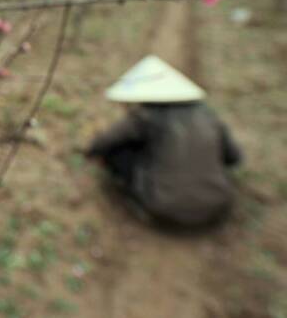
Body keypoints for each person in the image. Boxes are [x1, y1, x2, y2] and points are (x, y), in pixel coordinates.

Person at [87, 55, 242, 227]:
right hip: (216, 208)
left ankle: (141, 199)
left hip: (162, 207)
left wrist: (92, 150)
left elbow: (105, 141)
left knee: (118, 151)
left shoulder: (147, 115)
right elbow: (233, 157)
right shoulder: (208, 115)